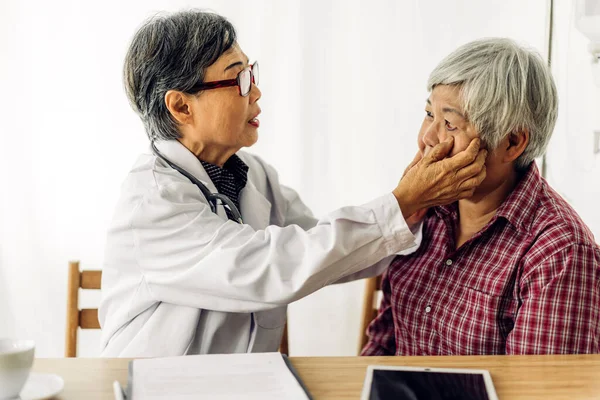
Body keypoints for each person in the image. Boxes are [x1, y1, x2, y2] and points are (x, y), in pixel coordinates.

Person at [99, 10, 486, 357]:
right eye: (239, 78)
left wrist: (411, 211)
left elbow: (322, 251)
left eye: (252, 72)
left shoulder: (253, 174)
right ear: (182, 106)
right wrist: (398, 204)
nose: (256, 91)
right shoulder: (152, 203)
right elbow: (272, 267)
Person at [362, 38, 600, 356]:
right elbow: (383, 344)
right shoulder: (426, 212)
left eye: (449, 123)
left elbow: (536, 390)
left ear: (513, 143)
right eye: (428, 113)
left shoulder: (559, 252)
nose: (427, 138)